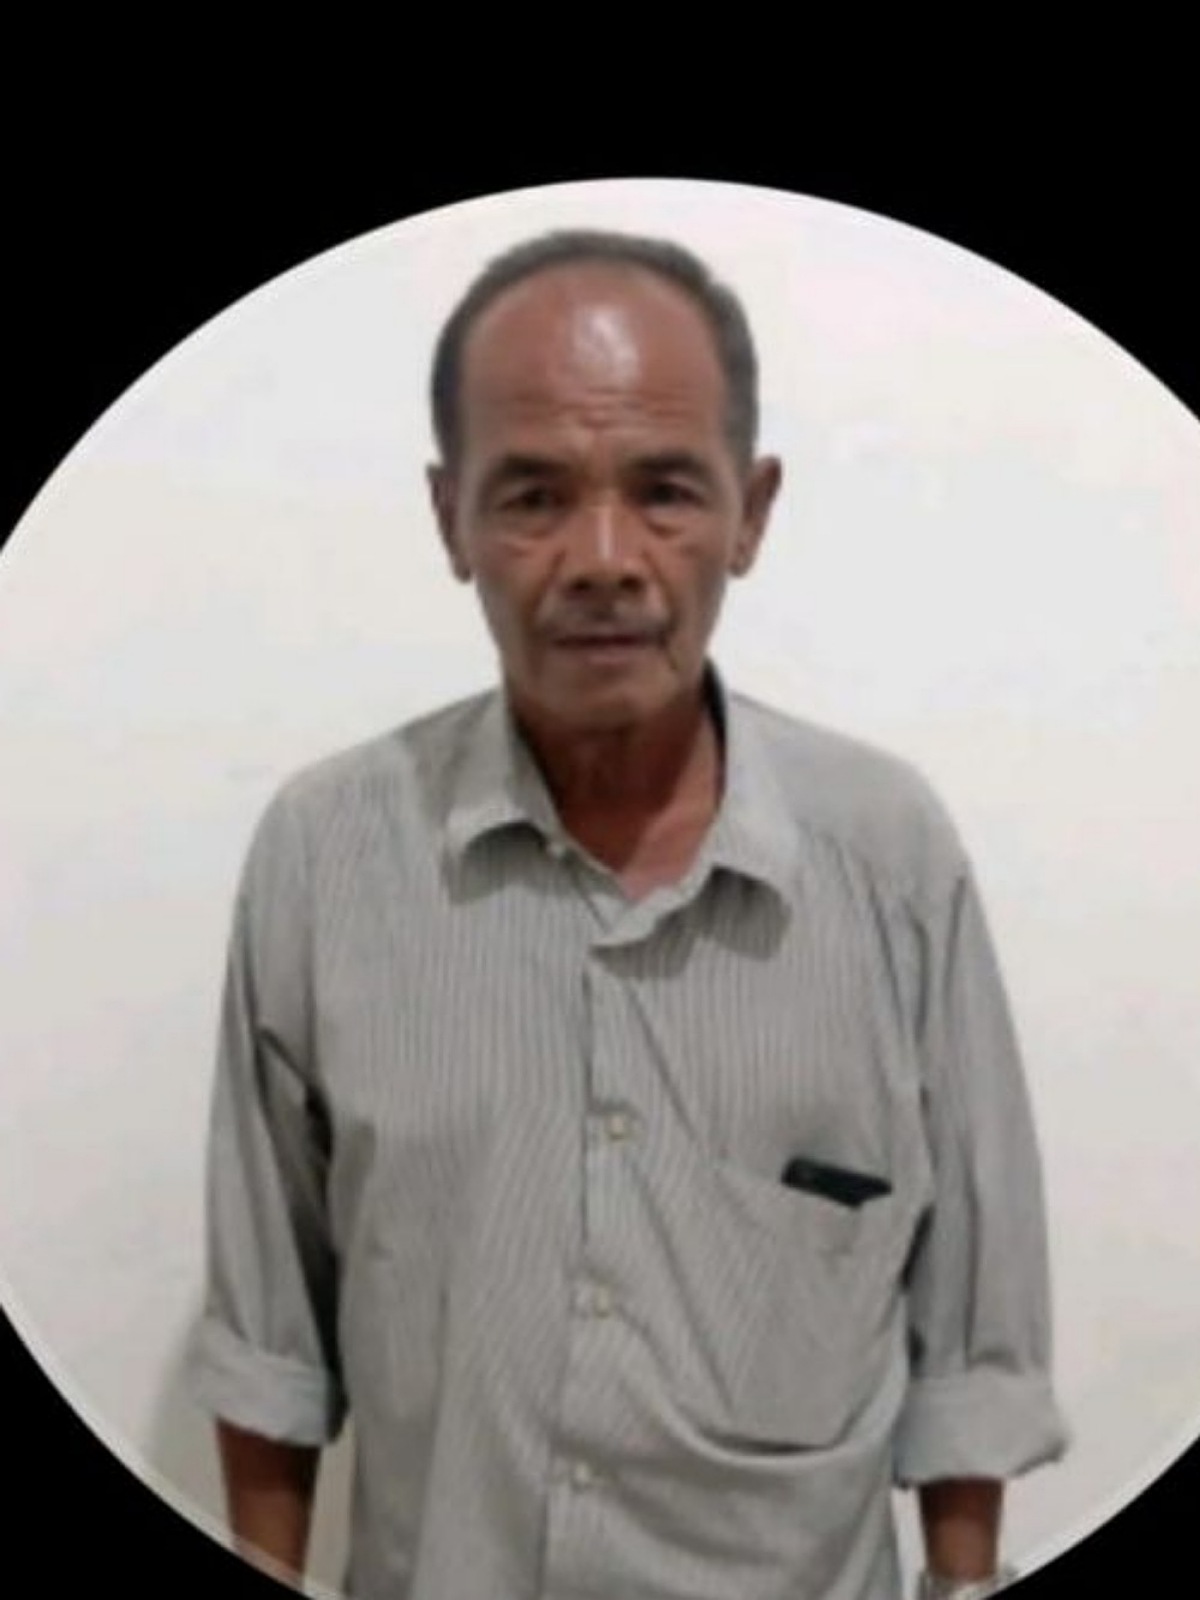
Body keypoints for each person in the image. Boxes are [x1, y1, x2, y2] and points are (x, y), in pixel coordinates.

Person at [187, 228, 1069, 1600]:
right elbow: (269, 1346)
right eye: (534, 495)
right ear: (450, 519)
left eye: (664, 492)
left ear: (751, 514)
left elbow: (974, 1341)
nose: (603, 558)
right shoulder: (327, 856)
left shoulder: (889, 858)